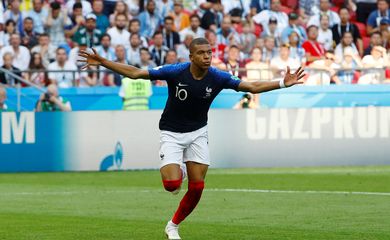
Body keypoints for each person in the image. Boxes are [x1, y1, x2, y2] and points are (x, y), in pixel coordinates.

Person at [78, 37, 305, 240]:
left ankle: (173, 226)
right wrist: (105, 62)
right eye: (202, 53)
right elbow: (137, 73)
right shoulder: (175, 71)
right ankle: (181, 171)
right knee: (172, 185)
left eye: (210, 53)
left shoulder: (217, 77)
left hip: (198, 133)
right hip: (171, 133)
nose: (207, 57)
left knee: (197, 188)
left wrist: (283, 82)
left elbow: (252, 87)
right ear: (191, 56)